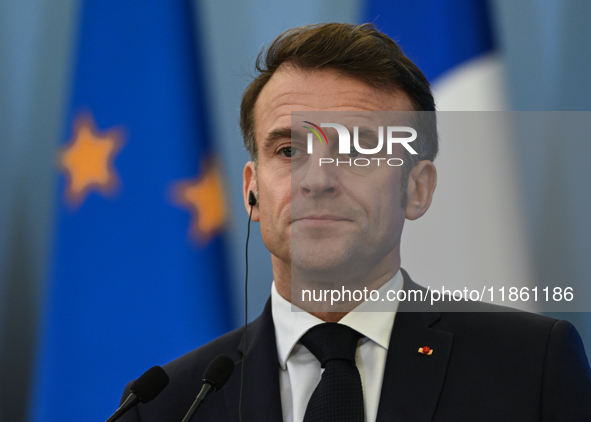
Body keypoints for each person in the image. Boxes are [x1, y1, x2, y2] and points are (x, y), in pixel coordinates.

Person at [119, 23, 591, 421]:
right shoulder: (168, 403)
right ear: (253, 190)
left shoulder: (531, 368)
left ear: (418, 188)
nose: (317, 179)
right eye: (288, 151)